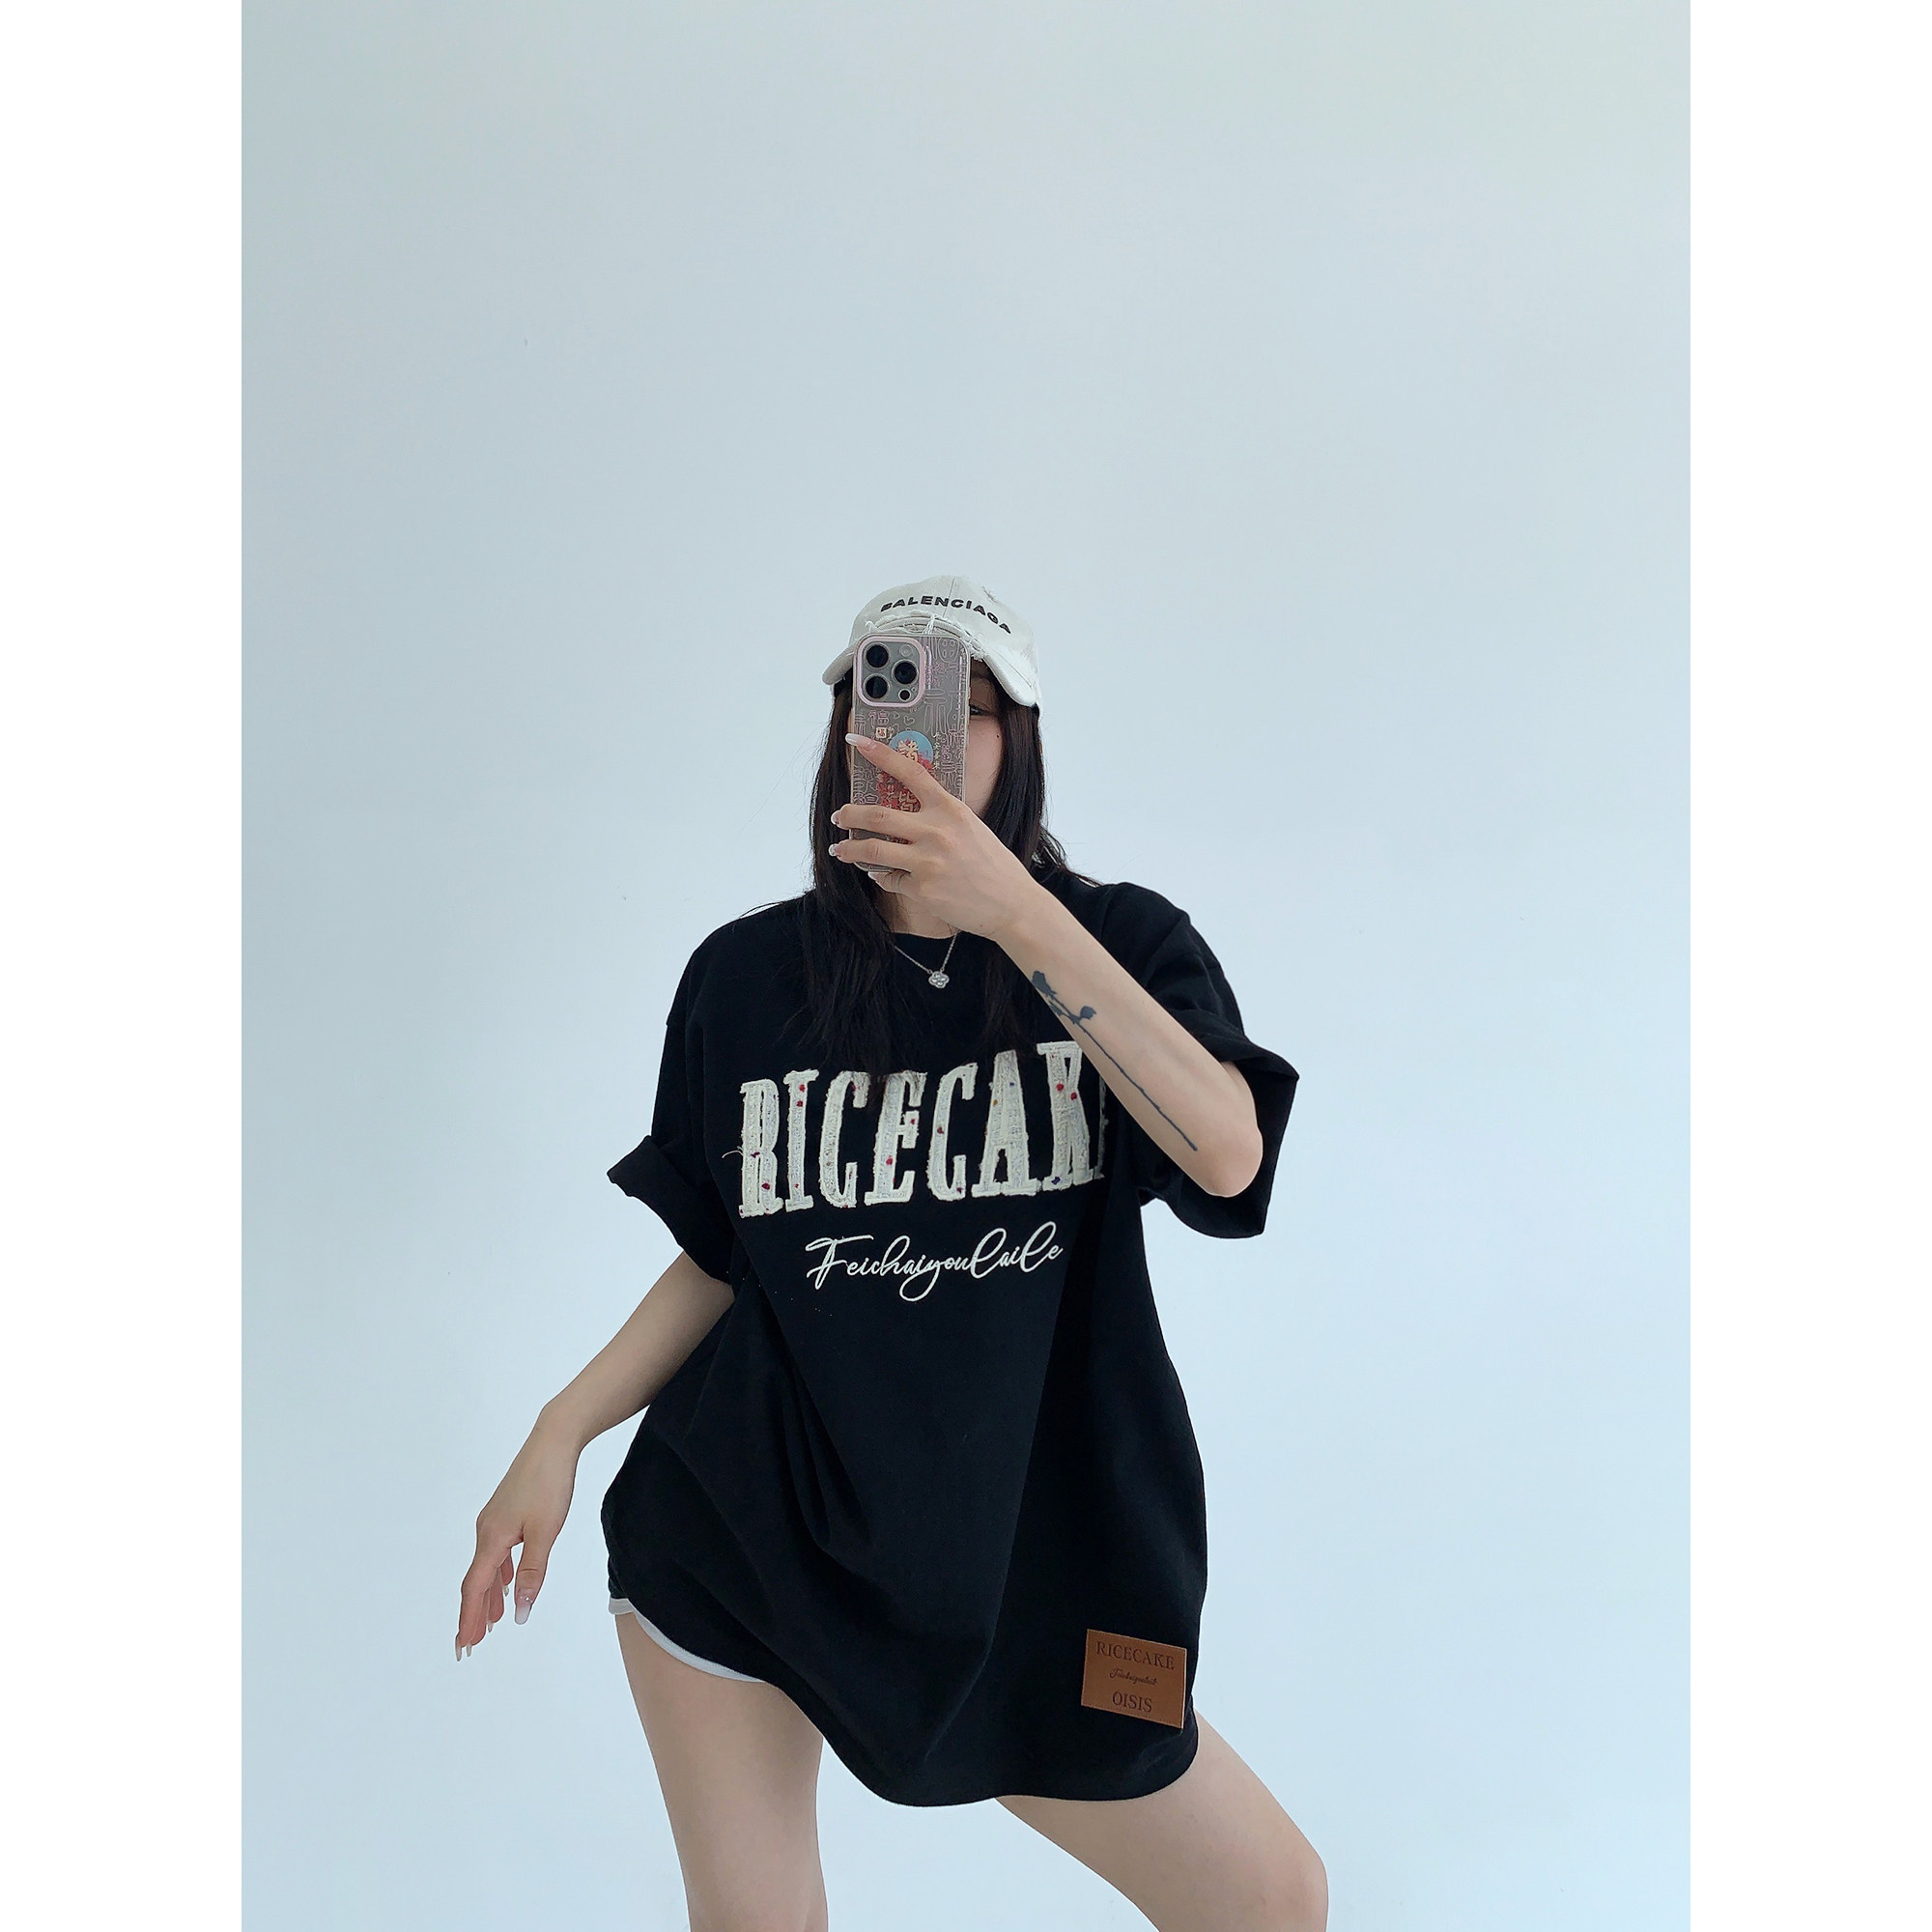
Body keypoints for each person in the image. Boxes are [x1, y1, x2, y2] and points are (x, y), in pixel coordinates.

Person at [456, 577, 1328, 1932]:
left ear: (1019, 739)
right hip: (744, 1541)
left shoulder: (1121, 944)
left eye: (967, 706)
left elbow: (1226, 1155)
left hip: (1032, 1564)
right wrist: (557, 1431)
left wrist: (1017, 914)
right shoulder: (746, 980)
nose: (923, 737)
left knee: (1268, 1900)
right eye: (886, 697)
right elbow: (731, 1257)